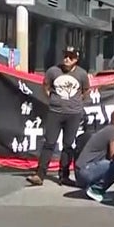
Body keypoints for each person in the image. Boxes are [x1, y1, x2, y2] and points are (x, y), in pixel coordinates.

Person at [27, 47, 90, 187]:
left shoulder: (82, 74)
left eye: (71, 57)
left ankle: (64, 176)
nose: (67, 59)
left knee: (68, 145)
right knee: (49, 143)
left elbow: (86, 90)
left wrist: (78, 103)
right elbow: (45, 85)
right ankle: (40, 174)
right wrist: (51, 98)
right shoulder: (53, 71)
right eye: (65, 56)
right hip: (55, 112)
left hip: (73, 114)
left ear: (76, 59)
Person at [76, 109, 114, 203]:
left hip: (84, 171)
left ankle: (97, 188)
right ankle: (95, 189)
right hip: (85, 171)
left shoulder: (111, 129)